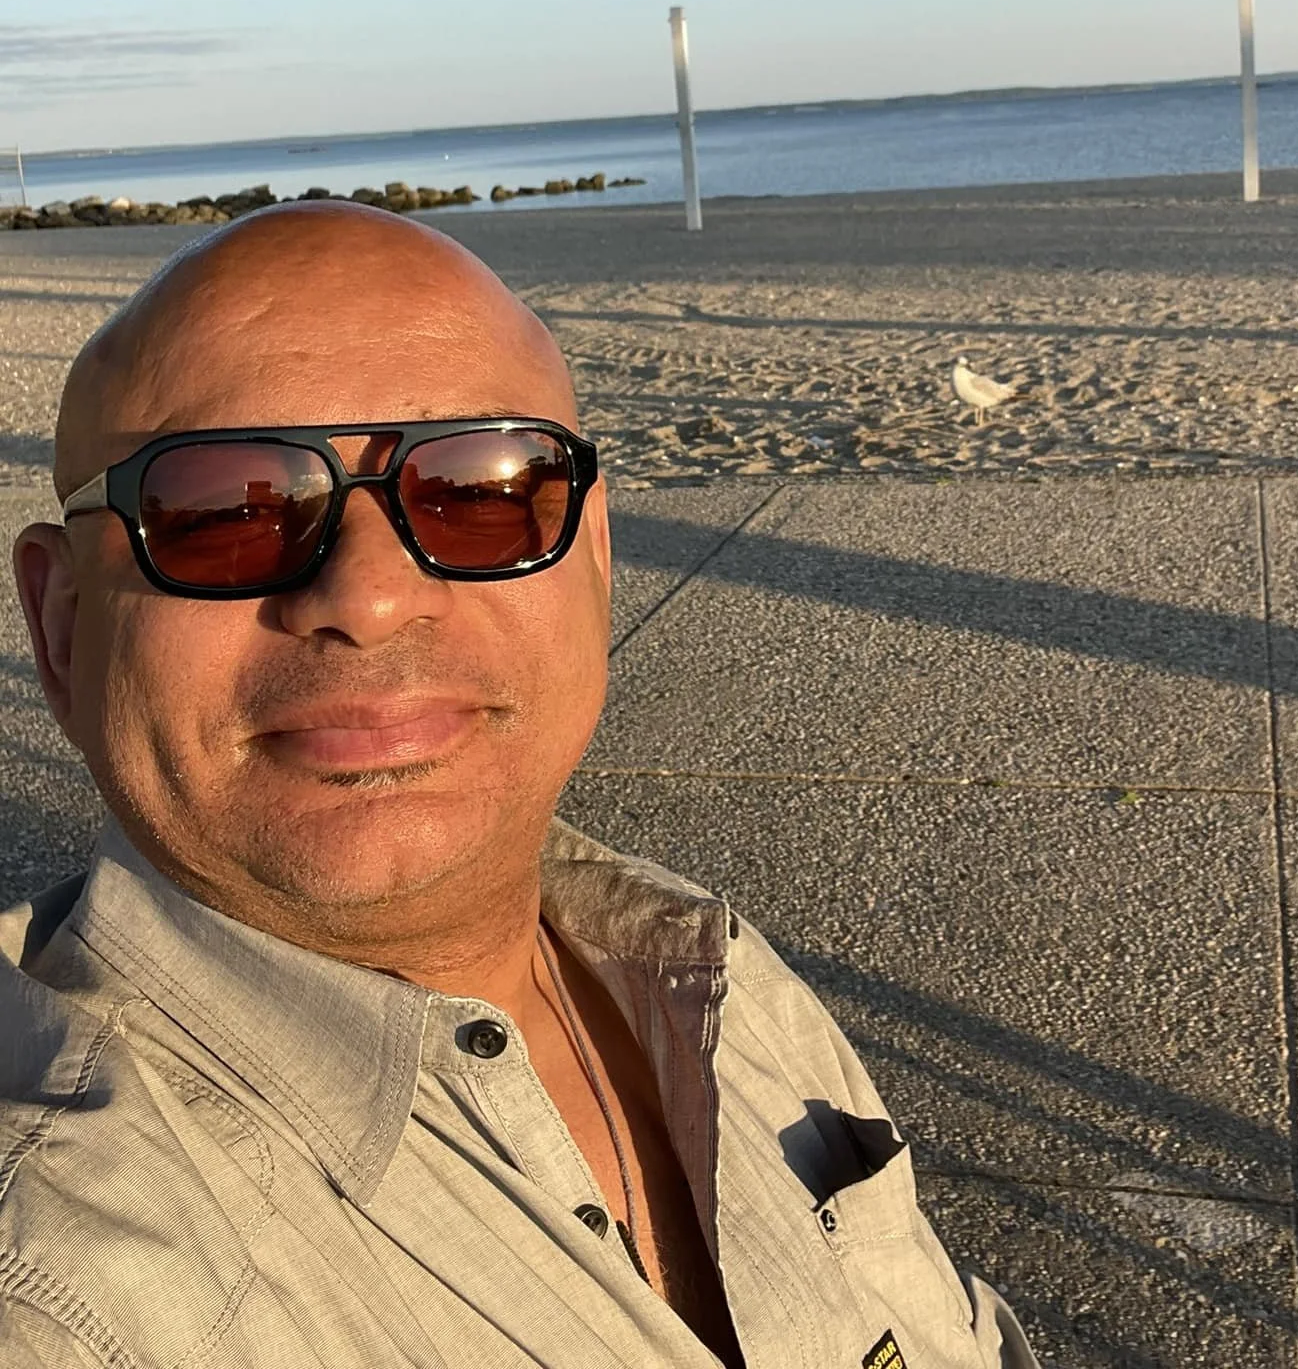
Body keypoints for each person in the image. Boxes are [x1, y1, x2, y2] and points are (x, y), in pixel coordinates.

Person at [0, 202, 1038, 1369]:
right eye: (225, 511)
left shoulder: (699, 973)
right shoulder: (62, 1282)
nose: (369, 593)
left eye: (483, 490)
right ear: (64, 624)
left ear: (593, 557)